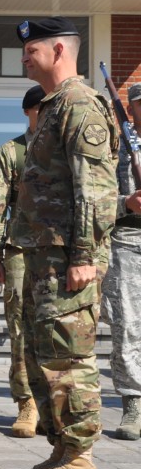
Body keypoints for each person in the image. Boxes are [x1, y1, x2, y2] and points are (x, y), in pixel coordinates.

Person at [7, 17, 118, 469]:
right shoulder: (53, 107)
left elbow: (94, 190)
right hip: (42, 257)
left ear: (58, 50)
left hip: (68, 258)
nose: (25, 56)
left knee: (71, 357)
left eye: (32, 48)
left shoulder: (79, 105)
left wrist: (83, 255)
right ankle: (60, 450)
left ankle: (81, 462)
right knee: (45, 355)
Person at [0, 85, 45, 438]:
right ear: (28, 111)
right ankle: (27, 402)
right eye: (41, 109)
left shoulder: (60, 151)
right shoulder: (11, 153)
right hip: (20, 249)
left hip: (56, 251)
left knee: (51, 326)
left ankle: (51, 400)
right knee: (20, 326)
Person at [101, 82, 141, 441]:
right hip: (127, 239)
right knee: (127, 323)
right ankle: (133, 402)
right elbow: (96, 197)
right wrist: (125, 202)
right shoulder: (116, 151)